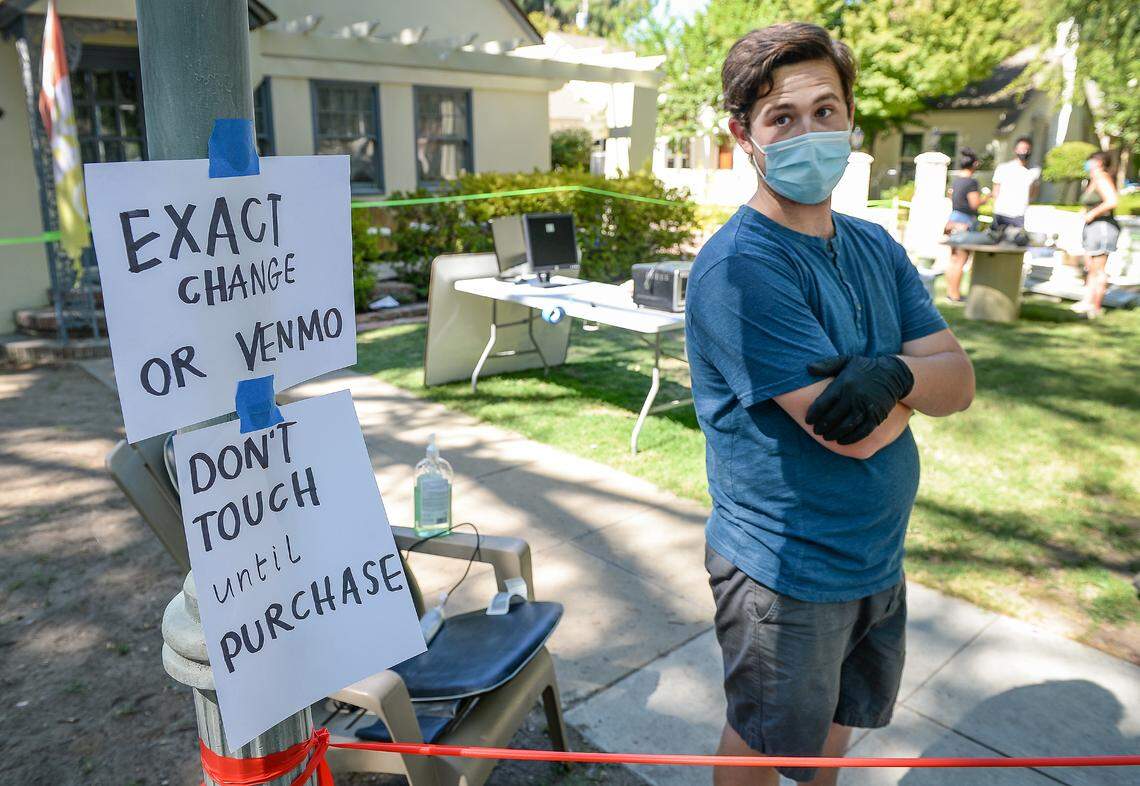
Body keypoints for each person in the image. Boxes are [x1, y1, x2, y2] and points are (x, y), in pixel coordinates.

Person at [686, 23, 975, 786]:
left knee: (835, 734)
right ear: (743, 133)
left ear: (850, 118)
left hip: (875, 557)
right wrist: (912, 379)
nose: (808, 132)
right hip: (787, 573)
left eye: (825, 111)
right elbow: (857, 435)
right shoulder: (740, 272)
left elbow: (961, 381)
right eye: (782, 117)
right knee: (762, 746)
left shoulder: (874, 244)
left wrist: (891, 375)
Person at [1071, 151, 1120, 319]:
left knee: (1099, 269)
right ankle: (1087, 301)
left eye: (1091, 160)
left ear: (1099, 162)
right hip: (1093, 228)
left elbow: (1112, 200)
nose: (1088, 163)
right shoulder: (1092, 180)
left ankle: (1096, 306)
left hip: (1103, 228)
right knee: (1090, 267)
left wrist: (1093, 214)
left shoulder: (1102, 178)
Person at [945, 148, 989, 302]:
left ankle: (950, 292)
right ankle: (956, 295)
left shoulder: (956, 180)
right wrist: (987, 198)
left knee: (953, 259)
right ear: (974, 164)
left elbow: (951, 197)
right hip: (965, 222)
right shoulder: (971, 182)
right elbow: (974, 203)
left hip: (953, 219)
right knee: (961, 259)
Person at [990, 136, 1039, 231]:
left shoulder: (1033, 172)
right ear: (1015, 150)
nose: (1024, 152)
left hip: (1019, 214)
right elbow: (995, 190)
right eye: (1022, 149)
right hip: (1001, 212)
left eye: (1027, 149)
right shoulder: (1003, 168)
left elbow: (1033, 194)